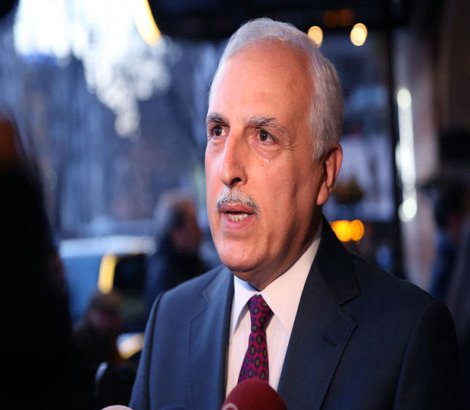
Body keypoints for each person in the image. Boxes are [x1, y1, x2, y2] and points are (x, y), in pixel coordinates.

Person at [130, 18, 461, 409]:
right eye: (218, 131)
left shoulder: (407, 337)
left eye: (264, 136)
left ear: (325, 173)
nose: (227, 168)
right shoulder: (169, 320)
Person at [144, 190, 208, 312]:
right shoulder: (164, 275)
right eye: (194, 225)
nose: (200, 232)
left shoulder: (193, 263)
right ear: (176, 232)